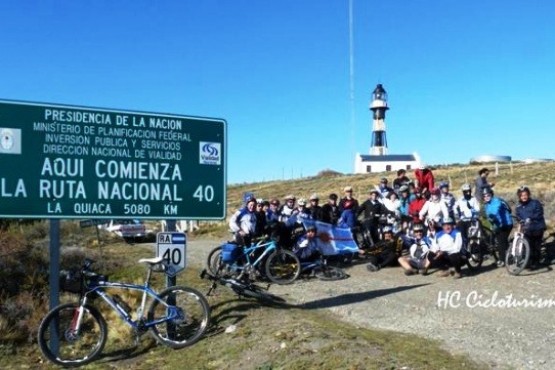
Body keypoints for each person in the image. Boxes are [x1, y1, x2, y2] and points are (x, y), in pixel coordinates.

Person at [515, 186, 547, 269]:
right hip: (527, 229)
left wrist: (530, 218)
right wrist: (519, 228)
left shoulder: (535, 203)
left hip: (537, 227)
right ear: (519, 196)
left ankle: (536, 263)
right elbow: (518, 218)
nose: (524, 197)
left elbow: (539, 213)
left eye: (525, 195)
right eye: (522, 195)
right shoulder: (519, 206)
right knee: (527, 246)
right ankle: (528, 262)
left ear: (528, 195)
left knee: (536, 246)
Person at [483, 187, 513, 267]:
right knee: (500, 241)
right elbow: (489, 218)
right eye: (484, 196)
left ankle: (502, 260)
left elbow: (496, 209)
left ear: (491, 194)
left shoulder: (496, 201)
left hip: (506, 224)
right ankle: (508, 256)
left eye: (488, 195)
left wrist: (493, 214)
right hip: (498, 225)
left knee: (501, 242)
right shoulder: (486, 205)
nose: (486, 197)